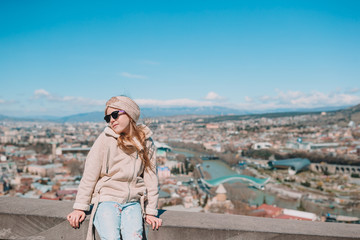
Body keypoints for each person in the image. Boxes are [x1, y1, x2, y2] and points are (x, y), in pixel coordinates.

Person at [67, 96, 162, 240]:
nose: (111, 120)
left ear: (130, 114)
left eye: (115, 114)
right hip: (107, 199)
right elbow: (90, 175)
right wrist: (80, 207)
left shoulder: (146, 142)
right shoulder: (105, 139)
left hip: (133, 202)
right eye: (107, 118)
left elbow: (151, 177)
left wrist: (151, 211)